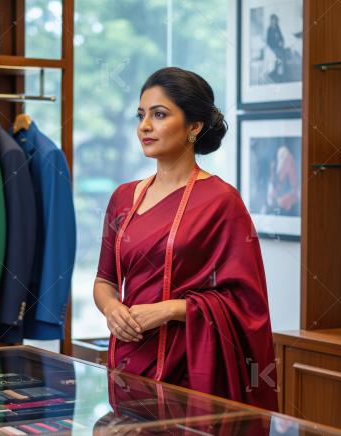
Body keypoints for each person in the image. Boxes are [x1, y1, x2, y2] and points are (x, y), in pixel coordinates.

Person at [93, 67, 278, 410]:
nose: (144, 126)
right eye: (141, 115)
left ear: (194, 127)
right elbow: (104, 279)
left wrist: (168, 310)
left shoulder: (221, 201)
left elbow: (246, 305)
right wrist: (112, 308)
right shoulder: (123, 198)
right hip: (127, 363)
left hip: (191, 369)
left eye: (159, 114)